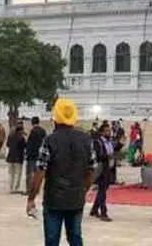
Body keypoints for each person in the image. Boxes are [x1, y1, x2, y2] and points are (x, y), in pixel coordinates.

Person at [27, 99, 94, 246]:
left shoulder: (50, 140)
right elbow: (90, 172)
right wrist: (82, 191)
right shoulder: (86, 140)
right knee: (75, 238)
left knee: (52, 240)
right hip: (76, 199)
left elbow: (40, 172)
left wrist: (31, 198)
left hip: (54, 200)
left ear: (55, 117)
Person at [90, 122, 114, 222]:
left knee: (103, 190)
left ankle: (94, 209)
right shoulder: (98, 142)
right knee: (102, 191)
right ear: (102, 132)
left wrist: (120, 144)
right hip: (101, 169)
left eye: (110, 131)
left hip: (108, 168)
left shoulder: (109, 141)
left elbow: (113, 151)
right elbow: (97, 155)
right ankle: (103, 212)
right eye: (107, 131)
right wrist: (107, 156)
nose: (109, 133)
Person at [26, 116, 47, 194]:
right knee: (38, 173)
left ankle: (29, 190)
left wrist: (27, 152)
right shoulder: (43, 131)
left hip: (31, 155)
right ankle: (36, 189)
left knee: (30, 173)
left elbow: (29, 144)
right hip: (40, 155)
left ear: (32, 122)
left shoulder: (32, 131)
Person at [6, 125, 27, 194]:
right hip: (18, 158)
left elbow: (8, 145)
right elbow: (25, 146)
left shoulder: (10, 136)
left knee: (10, 174)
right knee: (18, 174)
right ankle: (15, 188)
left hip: (10, 157)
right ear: (20, 131)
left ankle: (10, 188)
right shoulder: (21, 138)